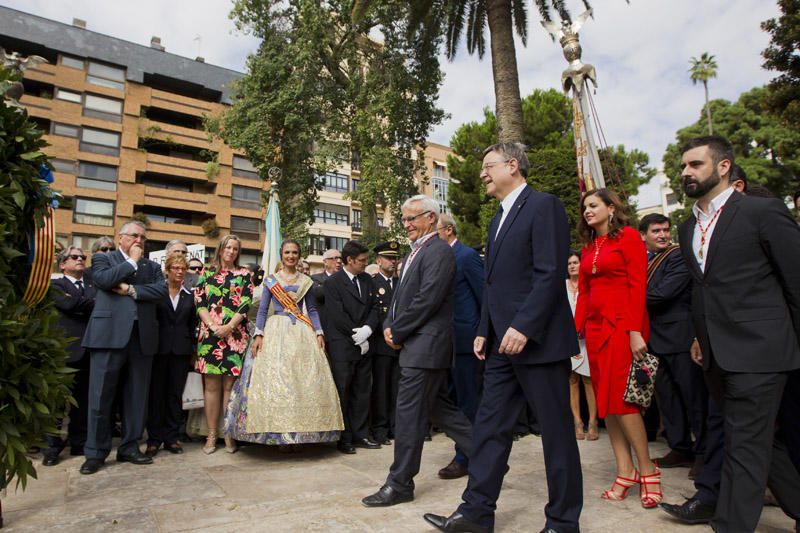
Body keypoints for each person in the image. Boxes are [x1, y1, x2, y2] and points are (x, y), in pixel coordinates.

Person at [424, 142, 582, 533]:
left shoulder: (544, 206)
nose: (482, 174)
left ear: (512, 165)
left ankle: (563, 522)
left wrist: (524, 326)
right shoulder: (496, 219)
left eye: (487, 166)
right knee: (490, 428)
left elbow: (549, 274)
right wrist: (484, 330)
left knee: (556, 435)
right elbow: (493, 284)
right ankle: (476, 513)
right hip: (499, 346)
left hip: (539, 344)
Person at [674, 136, 800, 531]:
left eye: (695, 164)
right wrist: (699, 335)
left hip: (763, 351)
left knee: (743, 445)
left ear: (724, 166)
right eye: (683, 167)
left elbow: (796, 283)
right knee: (759, 441)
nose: (686, 173)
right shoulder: (687, 225)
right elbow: (701, 288)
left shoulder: (763, 212)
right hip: (715, 355)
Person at [362, 195, 472, 508]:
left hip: (426, 346)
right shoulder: (416, 252)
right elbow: (401, 299)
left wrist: (397, 331)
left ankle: (399, 484)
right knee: (441, 410)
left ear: (431, 219)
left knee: (408, 417)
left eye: (412, 219)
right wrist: (389, 324)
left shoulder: (437, 250)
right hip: (418, 345)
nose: (406, 224)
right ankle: (489, 456)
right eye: (404, 219)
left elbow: (428, 299)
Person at [573, 188, 662, 508]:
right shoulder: (588, 245)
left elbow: (638, 284)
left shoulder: (627, 237)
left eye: (593, 205)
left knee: (624, 403)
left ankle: (648, 471)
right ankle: (625, 472)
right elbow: (583, 291)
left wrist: (635, 331)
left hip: (623, 327)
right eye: (585, 207)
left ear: (611, 208)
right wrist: (575, 333)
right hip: (595, 332)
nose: (587, 211)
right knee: (608, 403)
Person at [227, 240, 343, 445]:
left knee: (302, 380)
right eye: (287, 252)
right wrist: (259, 334)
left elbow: (312, 310)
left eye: (295, 252)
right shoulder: (272, 280)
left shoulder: (306, 281)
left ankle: (302, 433)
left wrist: (318, 332)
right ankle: (276, 434)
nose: (291, 256)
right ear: (282, 255)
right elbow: (262, 310)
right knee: (278, 379)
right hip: (276, 330)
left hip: (301, 331)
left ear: (299, 255)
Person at [79, 221, 166, 475]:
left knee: (137, 398)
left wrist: (130, 290)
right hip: (108, 336)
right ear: (120, 238)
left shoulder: (152, 266)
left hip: (142, 339)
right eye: (134, 236)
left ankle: (129, 447)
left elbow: (159, 290)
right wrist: (130, 263)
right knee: (100, 397)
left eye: (143, 237)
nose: (139, 240)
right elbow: (104, 280)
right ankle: (95, 452)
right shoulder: (103, 259)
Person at [638, 213, 707, 476]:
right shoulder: (642, 261)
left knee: (693, 399)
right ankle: (680, 447)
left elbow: (661, 294)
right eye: (656, 231)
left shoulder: (677, 256)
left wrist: (627, 295)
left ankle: (703, 453)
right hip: (654, 340)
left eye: (666, 230)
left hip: (680, 338)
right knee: (668, 399)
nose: (663, 235)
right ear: (643, 235)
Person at [194, 234, 253, 455]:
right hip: (209, 336)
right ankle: (211, 435)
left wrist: (229, 327)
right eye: (228, 247)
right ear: (220, 249)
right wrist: (212, 325)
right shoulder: (206, 273)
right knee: (211, 386)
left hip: (235, 336)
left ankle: (228, 433)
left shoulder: (244, 274)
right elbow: (199, 302)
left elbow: (246, 304)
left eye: (235, 249)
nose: (231, 251)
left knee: (230, 387)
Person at [436, 213, 484, 479]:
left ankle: (465, 457)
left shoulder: (466, 257)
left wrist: (482, 334)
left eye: (438, 230)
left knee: (469, 401)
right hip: (445, 342)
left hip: (467, 342)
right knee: (452, 400)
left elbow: (483, 297)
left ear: (450, 231)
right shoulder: (440, 257)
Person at [324, 240, 381, 454]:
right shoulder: (333, 283)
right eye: (361, 261)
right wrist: (357, 335)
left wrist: (368, 329)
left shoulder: (367, 279)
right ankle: (345, 437)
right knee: (344, 390)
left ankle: (362, 434)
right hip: (343, 344)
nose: (365, 264)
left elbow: (375, 306)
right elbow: (337, 315)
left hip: (365, 343)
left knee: (363, 390)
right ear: (349, 260)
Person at [43, 247, 96, 466]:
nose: (80, 260)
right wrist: (84, 302)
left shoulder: (92, 287)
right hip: (64, 353)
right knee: (56, 404)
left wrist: (80, 302)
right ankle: (52, 447)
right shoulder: (55, 285)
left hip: (88, 351)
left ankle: (78, 442)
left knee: (82, 402)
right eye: (74, 257)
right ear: (62, 264)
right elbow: (68, 304)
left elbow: (83, 303)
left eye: (83, 257)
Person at [144, 251, 197, 456]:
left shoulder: (189, 296)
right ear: (167, 270)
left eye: (183, 269)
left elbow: (193, 325)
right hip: (159, 350)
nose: (179, 272)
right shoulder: (157, 293)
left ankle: (171, 437)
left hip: (181, 352)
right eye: (175, 268)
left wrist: (193, 352)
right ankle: (154, 438)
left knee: (175, 395)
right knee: (156, 395)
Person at [369, 241, 401, 445]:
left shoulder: (401, 283)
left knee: (397, 389)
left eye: (395, 258)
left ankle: (395, 427)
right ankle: (380, 428)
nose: (393, 261)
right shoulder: (372, 283)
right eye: (389, 258)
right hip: (381, 345)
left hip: (400, 344)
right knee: (381, 389)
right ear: (378, 260)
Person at [566, 250, 598, 441]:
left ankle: (593, 422)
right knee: (572, 380)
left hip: (588, 338)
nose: (572, 266)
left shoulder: (590, 285)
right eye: (569, 263)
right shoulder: (562, 286)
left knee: (589, 380)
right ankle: (577, 421)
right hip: (569, 339)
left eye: (575, 262)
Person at [311, 248, 342, 332]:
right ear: (325, 262)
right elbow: (319, 294)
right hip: (325, 328)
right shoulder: (316, 278)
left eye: (340, 258)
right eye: (334, 258)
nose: (339, 261)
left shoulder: (346, 279)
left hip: (342, 329)